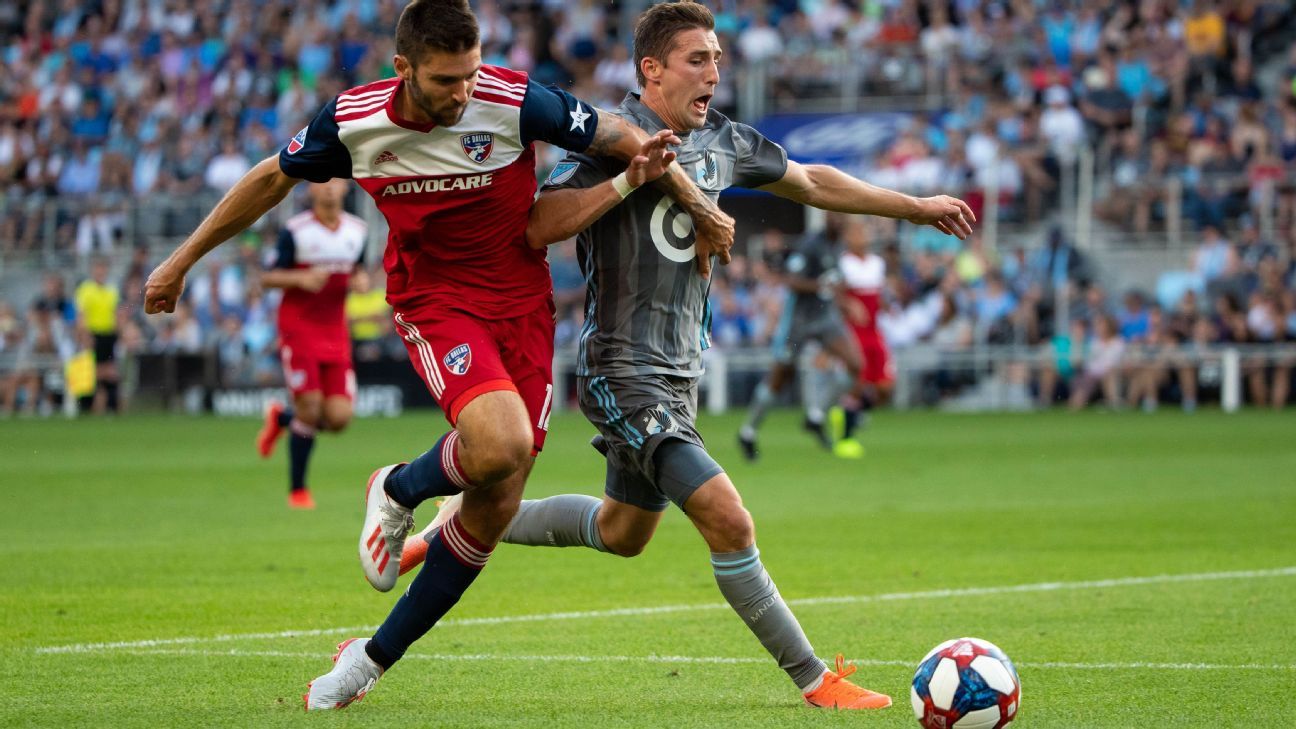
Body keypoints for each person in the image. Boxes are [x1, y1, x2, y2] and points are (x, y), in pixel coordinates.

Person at [142, 0, 731, 711]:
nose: (463, 95)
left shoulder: (511, 99)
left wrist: (698, 204)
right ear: (404, 69)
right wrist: (182, 260)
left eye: (471, 75)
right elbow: (271, 176)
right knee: (501, 440)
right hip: (437, 301)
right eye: (447, 80)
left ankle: (368, 659)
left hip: (521, 309)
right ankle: (397, 486)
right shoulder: (356, 119)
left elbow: (623, 135)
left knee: (495, 495)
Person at [399, 1, 973, 710]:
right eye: (698, 60)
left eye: (719, 59)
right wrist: (630, 179)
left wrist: (915, 207)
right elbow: (537, 225)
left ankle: (464, 516)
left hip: (680, 376)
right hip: (620, 374)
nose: (715, 73)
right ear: (653, 70)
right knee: (729, 518)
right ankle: (814, 679)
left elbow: (812, 180)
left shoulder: (724, 141)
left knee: (623, 531)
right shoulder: (612, 140)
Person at [253, 179, 368, 510]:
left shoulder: (357, 231)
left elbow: (358, 271)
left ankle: (281, 419)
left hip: (334, 331)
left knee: (339, 418)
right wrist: (299, 278)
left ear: (346, 186)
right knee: (310, 407)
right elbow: (266, 277)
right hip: (299, 328)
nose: (329, 188)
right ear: (311, 190)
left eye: (335, 181)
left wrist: (360, 280)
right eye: (321, 181)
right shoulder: (296, 231)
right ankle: (298, 490)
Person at [737, 215, 867, 460]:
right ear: (826, 218)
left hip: (826, 319)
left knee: (855, 365)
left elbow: (833, 283)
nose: (839, 221)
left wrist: (846, 302)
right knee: (779, 377)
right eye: (834, 216)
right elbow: (791, 281)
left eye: (842, 217)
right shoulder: (810, 245)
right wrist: (820, 286)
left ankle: (816, 415)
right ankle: (748, 431)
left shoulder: (837, 246)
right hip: (799, 322)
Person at [833, 216, 894, 457]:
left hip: (874, 331)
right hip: (853, 332)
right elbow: (834, 295)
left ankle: (849, 414)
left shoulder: (877, 264)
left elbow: (879, 296)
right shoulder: (843, 263)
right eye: (857, 232)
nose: (862, 237)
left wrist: (886, 303)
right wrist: (848, 303)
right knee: (857, 383)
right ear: (848, 237)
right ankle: (845, 440)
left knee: (885, 387)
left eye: (865, 232)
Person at [74, 257, 121, 414]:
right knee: (92, 371)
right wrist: (85, 335)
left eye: (103, 269)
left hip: (108, 334)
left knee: (110, 371)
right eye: (98, 269)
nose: (101, 272)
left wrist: (119, 333)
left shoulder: (111, 290)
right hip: (93, 334)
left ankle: (110, 407)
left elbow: (115, 314)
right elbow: (82, 315)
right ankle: (86, 407)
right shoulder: (86, 290)